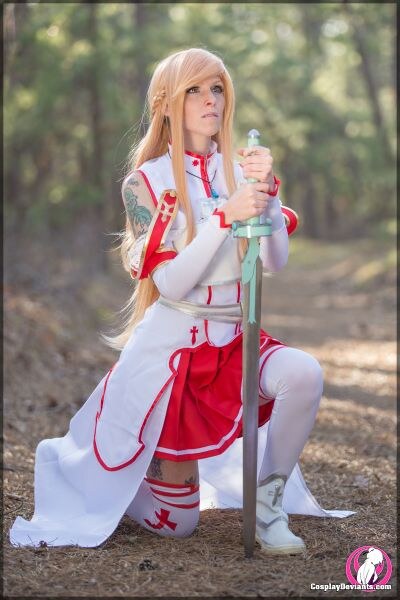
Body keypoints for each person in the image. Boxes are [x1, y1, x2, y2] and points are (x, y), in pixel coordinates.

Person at [10, 48, 353, 554]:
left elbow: (275, 261)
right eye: (194, 90)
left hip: (234, 339)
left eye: (216, 89)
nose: (210, 100)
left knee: (303, 373)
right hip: (171, 356)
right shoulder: (145, 183)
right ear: (166, 103)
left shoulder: (239, 170)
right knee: (178, 524)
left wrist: (267, 194)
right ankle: (126, 483)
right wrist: (224, 217)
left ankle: (268, 505)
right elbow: (169, 283)